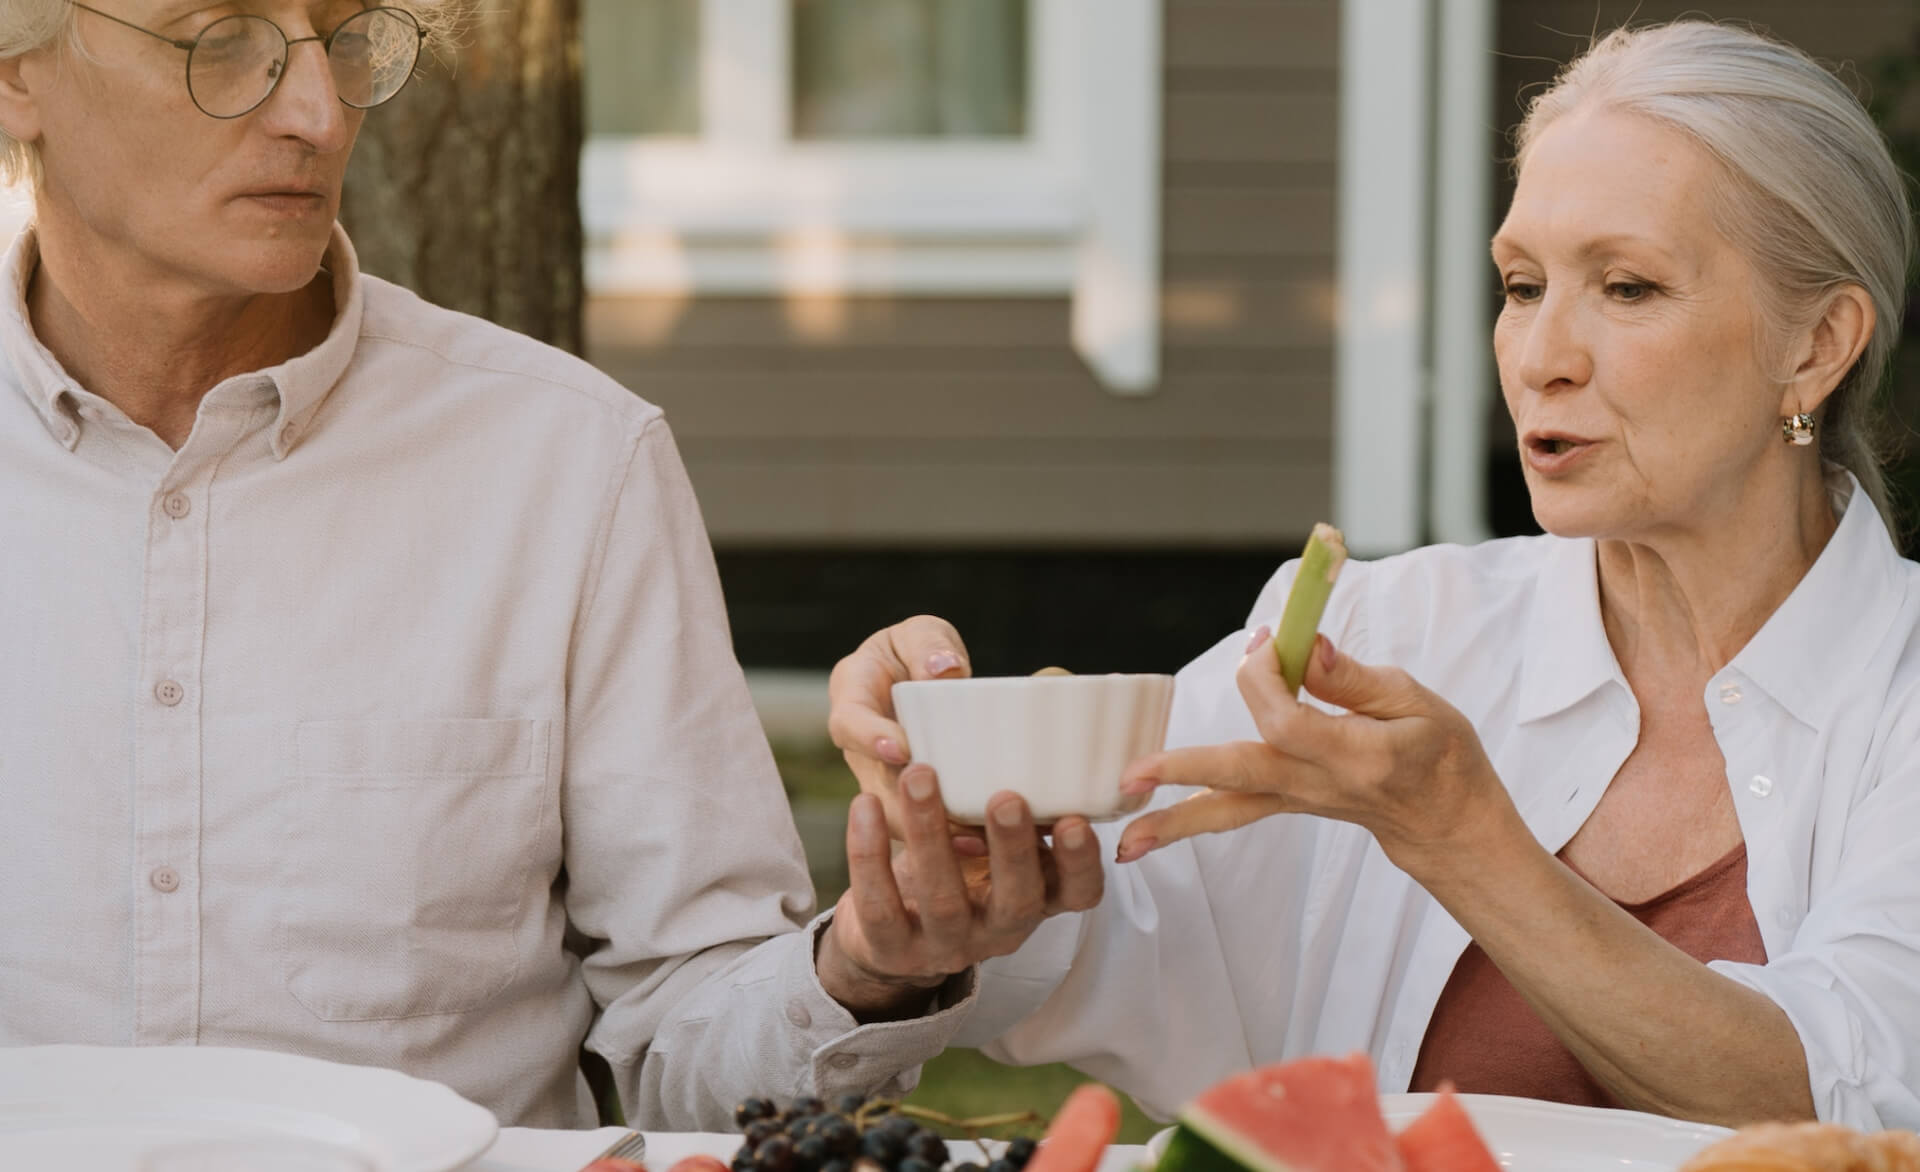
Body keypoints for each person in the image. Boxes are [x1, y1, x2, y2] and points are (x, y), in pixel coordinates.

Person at [0, 0, 1101, 1129]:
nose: (318, 114)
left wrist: (868, 963)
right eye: (222, 40)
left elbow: (691, 1049)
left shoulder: (571, 464)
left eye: (342, 39)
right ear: (16, 73)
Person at [830, 20, 1920, 1131]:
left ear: (1818, 344)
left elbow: (1858, 1101)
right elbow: (1088, 915)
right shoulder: (1384, 627)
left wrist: (1463, 837)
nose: (1544, 355)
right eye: (1523, 283)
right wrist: (947, 846)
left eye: (1628, 287)